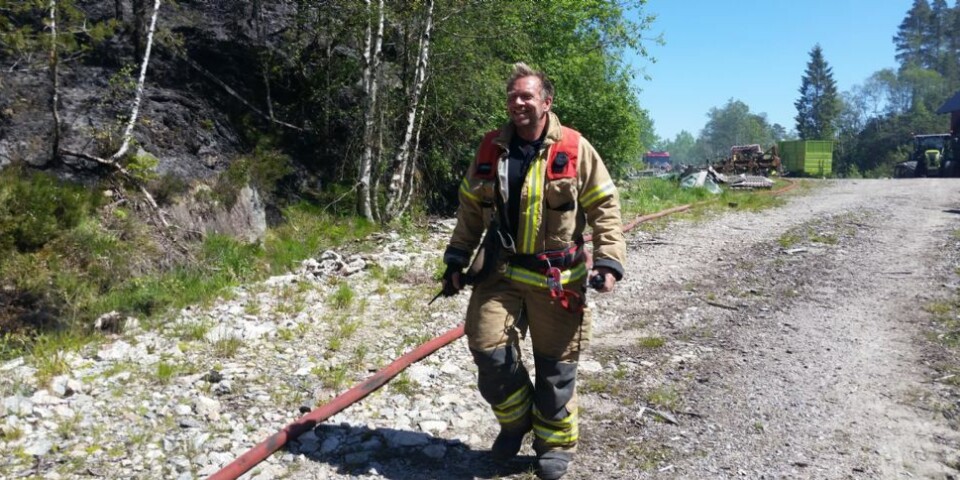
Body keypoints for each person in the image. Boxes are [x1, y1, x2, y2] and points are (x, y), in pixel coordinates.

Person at [441, 62, 626, 480]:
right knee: (487, 349)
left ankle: (554, 443)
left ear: (547, 102)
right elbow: (470, 211)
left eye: (527, 95)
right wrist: (456, 258)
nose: (518, 103)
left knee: (556, 368)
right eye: (512, 97)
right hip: (500, 275)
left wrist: (610, 260)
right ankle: (516, 421)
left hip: (557, 280)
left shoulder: (576, 149)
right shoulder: (491, 149)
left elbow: (605, 208)